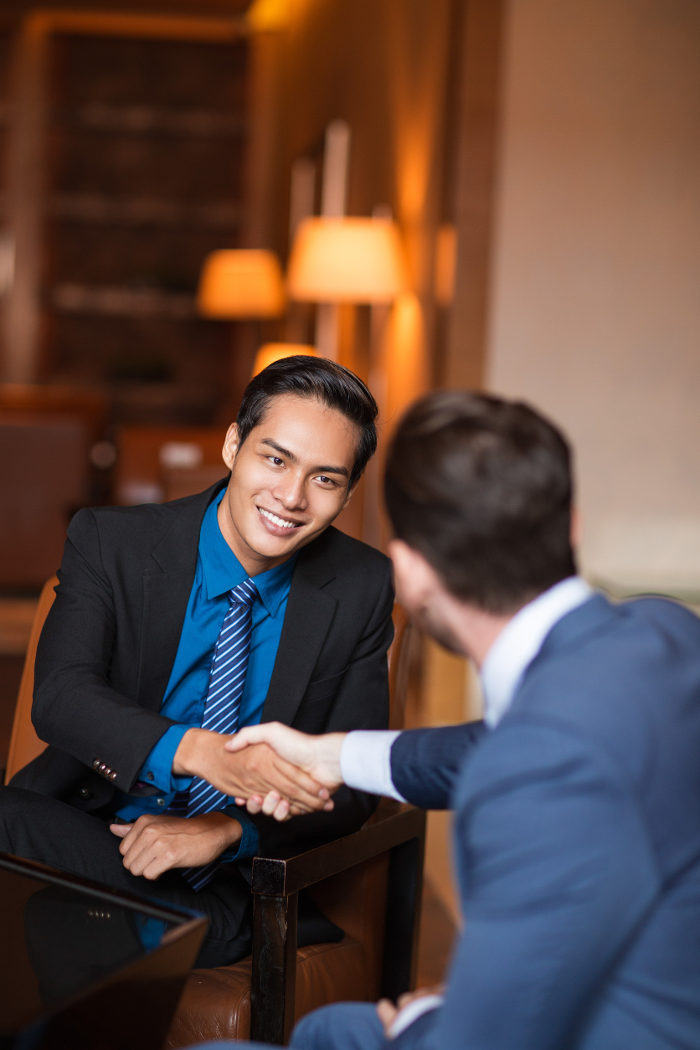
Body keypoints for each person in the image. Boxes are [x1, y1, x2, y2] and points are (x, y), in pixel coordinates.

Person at [191, 390, 700, 1049]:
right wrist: (331, 755)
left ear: (410, 572)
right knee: (332, 1028)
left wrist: (421, 1019)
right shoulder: (663, 631)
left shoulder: (539, 773)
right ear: (570, 525)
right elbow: (506, 745)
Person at [0, 355, 394, 966]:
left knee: (52, 930)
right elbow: (61, 695)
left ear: (346, 494)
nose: (290, 498)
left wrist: (228, 832)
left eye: (325, 479)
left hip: (230, 887)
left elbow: (354, 781)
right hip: (94, 844)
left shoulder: (361, 585)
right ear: (234, 446)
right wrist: (201, 755)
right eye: (276, 459)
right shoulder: (114, 543)